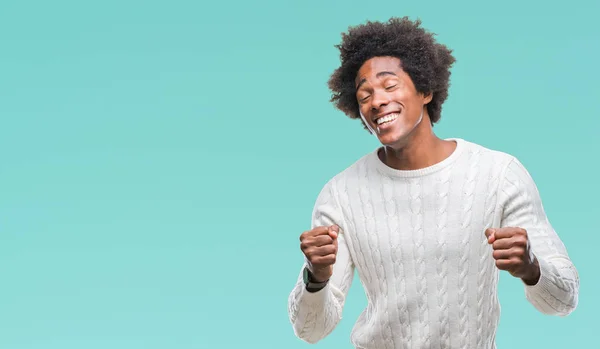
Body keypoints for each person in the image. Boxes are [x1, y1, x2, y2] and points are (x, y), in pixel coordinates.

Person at [287, 17, 579, 349]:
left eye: (389, 85)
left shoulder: (498, 174)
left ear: (425, 89)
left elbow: (564, 299)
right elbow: (310, 329)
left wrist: (531, 268)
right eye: (364, 94)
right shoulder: (339, 195)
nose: (376, 101)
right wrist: (316, 277)